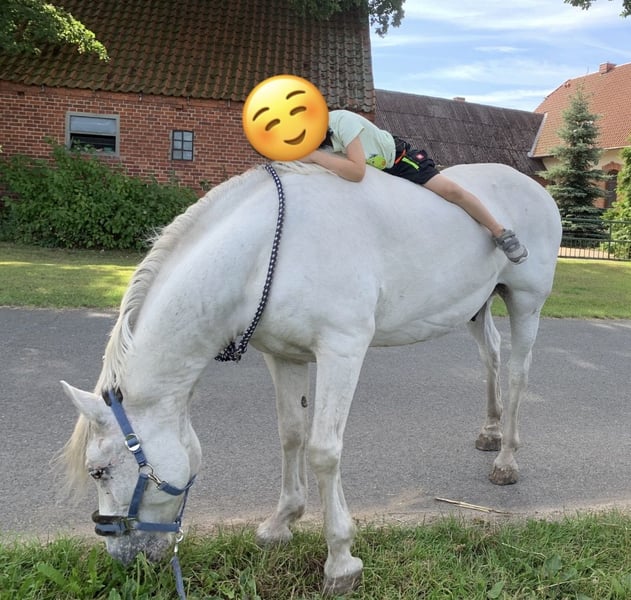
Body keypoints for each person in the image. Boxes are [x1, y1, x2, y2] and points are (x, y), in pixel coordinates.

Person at [303, 110, 528, 264]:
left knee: (451, 191)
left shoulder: (342, 121)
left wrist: (314, 157)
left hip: (401, 161)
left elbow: (356, 171)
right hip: (378, 175)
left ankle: (500, 232)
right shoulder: (319, 145)